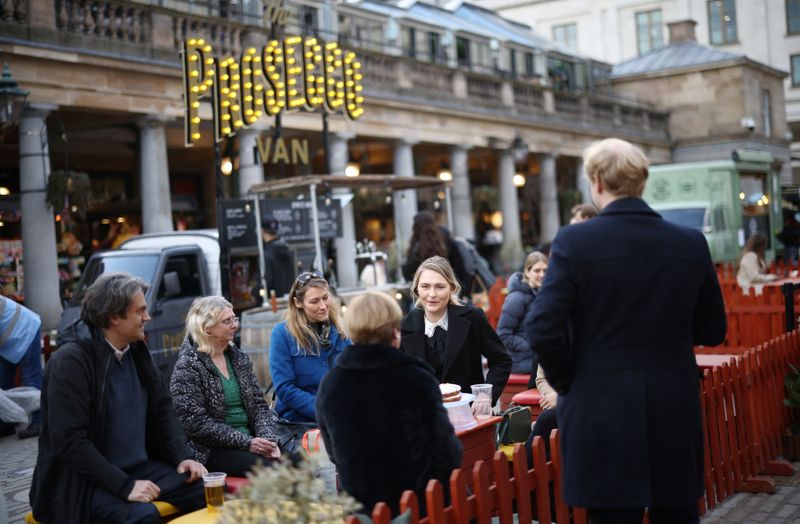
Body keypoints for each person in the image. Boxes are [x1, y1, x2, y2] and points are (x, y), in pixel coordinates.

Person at [525, 138, 726, 524]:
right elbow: (713, 328)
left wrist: (568, 381)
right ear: (642, 182)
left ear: (596, 182)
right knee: (677, 512)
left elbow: (542, 326)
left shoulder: (574, 241)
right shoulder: (689, 241)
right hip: (672, 401)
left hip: (599, 406)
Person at [30, 273, 206, 524]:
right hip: (82, 483)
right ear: (114, 317)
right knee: (142, 516)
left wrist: (183, 456)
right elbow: (69, 441)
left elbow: (162, 409)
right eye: (140, 311)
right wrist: (125, 486)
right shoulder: (71, 361)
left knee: (202, 489)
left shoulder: (135, 348)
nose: (147, 318)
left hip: (137, 468)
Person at [316, 291, 462, 516]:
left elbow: (334, 453)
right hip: (418, 504)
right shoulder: (416, 377)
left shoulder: (330, 384)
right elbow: (447, 450)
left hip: (362, 509)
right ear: (395, 332)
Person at [170, 296, 281, 477]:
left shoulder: (238, 357)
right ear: (207, 328)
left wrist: (268, 442)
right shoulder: (188, 366)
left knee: (299, 462)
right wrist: (247, 443)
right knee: (273, 471)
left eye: (234, 319)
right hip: (213, 449)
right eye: (226, 321)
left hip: (251, 441)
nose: (234, 325)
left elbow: (260, 406)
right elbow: (195, 425)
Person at [400, 256, 511, 407]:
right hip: (424, 418)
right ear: (416, 289)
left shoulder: (473, 318)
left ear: (452, 288)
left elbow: (501, 360)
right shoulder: (404, 326)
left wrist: (485, 395)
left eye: (439, 286)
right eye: (425, 286)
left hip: (469, 414)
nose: (432, 294)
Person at [269, 271, 349, 423]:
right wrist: (326, 410)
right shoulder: (282, 334)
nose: (323, 306)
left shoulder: (340, 330)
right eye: (314, 301)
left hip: (341, 417)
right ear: (298, 303)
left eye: (325, 298)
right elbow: (285, 389)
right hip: (302, 422)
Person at [496, 251, 548, 374]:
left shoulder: (544, 294)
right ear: (527, 272)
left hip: (539, 359)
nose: (542, 274)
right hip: (522, 363)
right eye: (537, 270)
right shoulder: (517, 298)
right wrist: (531, 347)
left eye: (545, 271)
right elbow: (503, 335)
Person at [0, 296, 43, 438]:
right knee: (3, 383)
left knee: (31, 380)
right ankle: (6, 423)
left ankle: (39, 422)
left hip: (25, 329)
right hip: (9, 338)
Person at [401, 211, 469, 292]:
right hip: (445, 283)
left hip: (425, 287)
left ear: (416, 226)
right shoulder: (443, 237)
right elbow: (455, 262)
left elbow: (408, 271)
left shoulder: (417, 246)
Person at [261, 215, 296, 298]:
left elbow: (267, 282)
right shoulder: (288, 250)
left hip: (273, 302)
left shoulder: (266, 254)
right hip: (290, 299)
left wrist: (254, 292)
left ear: (262, 231)